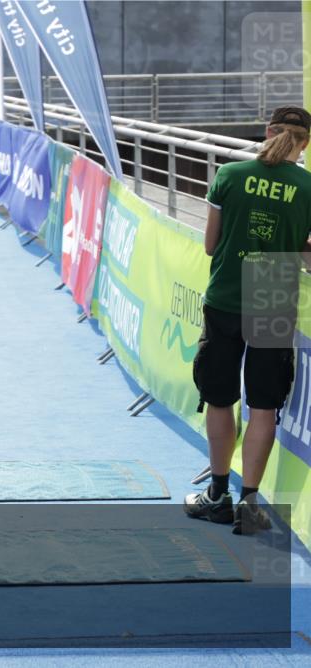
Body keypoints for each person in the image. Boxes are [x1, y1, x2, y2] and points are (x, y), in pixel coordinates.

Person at [186, 105, 311, 535]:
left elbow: (209, 245)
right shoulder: (308, 186)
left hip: (227, 292)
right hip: (273, 291)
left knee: (220, 397)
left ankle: (217, 494)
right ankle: (249, 505)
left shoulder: (230, 175)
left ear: (267, 132)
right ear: (305, 143)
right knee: (263, 406)